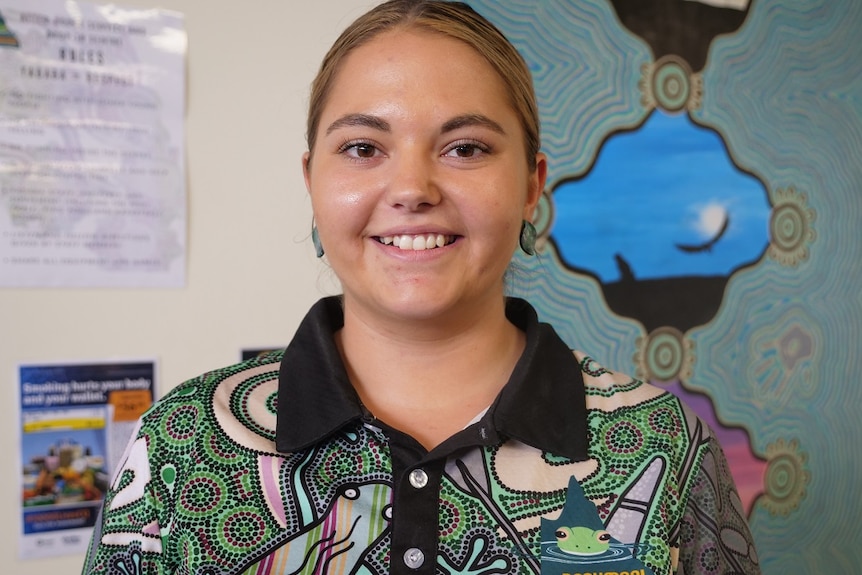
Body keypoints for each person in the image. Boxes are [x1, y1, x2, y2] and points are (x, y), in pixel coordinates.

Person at [82, 1, 760, 574]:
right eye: (362, 148)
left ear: (531, 185)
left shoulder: (664, 447)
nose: (412, 189)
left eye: (465, 147)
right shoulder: (181, 440)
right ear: (312, 180)